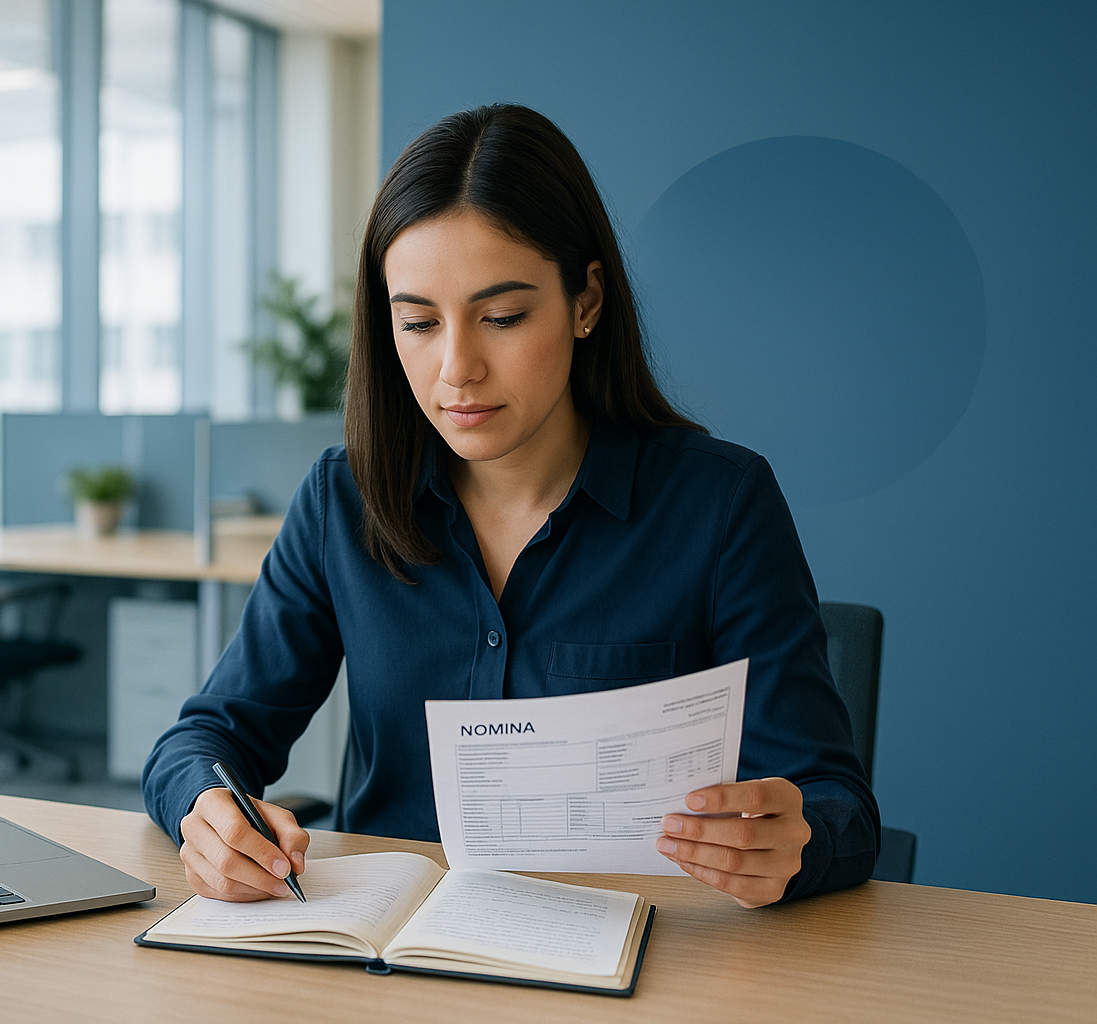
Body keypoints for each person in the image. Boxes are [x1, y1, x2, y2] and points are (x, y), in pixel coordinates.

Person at [142, 103, 878, 909]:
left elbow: (836, 801)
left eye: (502, 317)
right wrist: (204, 811)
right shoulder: (342, 501)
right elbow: (205, 738)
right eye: (419, 322)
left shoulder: (720, 505)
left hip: (638, 961)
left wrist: (797, 843)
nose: (457, 368)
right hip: (391, 959)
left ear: (586, 300)